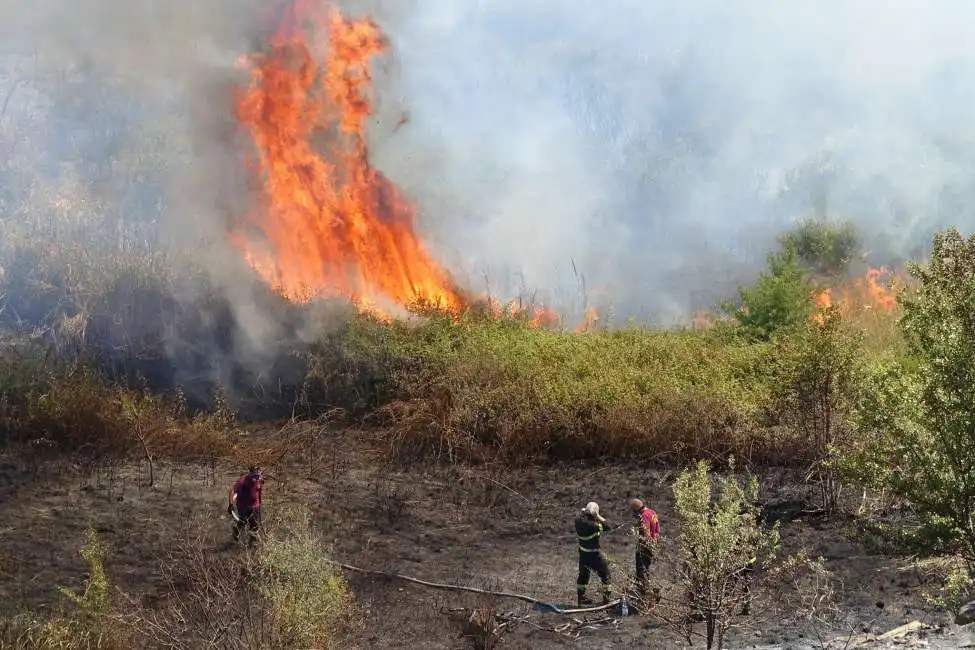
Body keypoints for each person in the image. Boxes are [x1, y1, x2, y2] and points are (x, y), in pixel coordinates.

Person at [575, 501, 613, 606]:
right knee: (606, 575)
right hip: (595, 555)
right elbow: (608, 526)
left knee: (583, 576)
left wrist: (587, 511)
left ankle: (580, 599)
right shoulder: (593, 525)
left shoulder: (578, 520)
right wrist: (597, 516)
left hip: (583, 554)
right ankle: (606, 600)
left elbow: (582, 514)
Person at [628, 497, 660, 606]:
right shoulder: (652, 512)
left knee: (642, 572)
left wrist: (641, 543)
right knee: (646, 570)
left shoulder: (644, 516)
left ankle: (644, 598)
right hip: (652, 545)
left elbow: (646, 533)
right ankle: (648, 595)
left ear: (636, 509)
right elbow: (656, 529)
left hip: (644, 548)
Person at [228, 465, 264, 546]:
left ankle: (252, 542)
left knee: (254, 525)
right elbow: (233, 491)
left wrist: (259, 503)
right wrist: (230, 504)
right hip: (243, 505)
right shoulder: (242, 481)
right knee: (243, 521)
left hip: (255, 506)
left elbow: (259, 491)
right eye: (255, 471)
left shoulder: (259, 479)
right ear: (250, 472)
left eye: (258, 471)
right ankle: (236, 530)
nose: (257, 473)